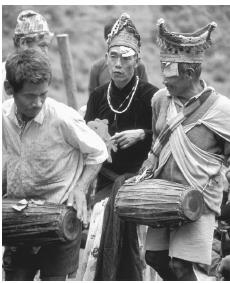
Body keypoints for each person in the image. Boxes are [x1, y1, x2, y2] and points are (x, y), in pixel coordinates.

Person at [2, 48, 108, 281]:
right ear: (9, 89)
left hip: (60, 217)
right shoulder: (3, 118)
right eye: (30, 96)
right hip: (19, 216)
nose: (38, 102)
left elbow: (98, 151)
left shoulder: (63, 118)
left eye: (44, 94)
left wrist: (80, 188)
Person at [137, 18, 230, 281]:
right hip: (163, 198)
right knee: (153, 257)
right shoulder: (160, 100)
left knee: (180, 266)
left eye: (169, 75)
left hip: (197, 200)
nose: (163, 80)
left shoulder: (222, 110)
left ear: (189, 73)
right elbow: (158, 143)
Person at [84, 13, 158, 280]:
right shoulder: (97, 95)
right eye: (113, 57)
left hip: (141, 182)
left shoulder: (152, 95)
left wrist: (142, 134)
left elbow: (164, 137)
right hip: (106, 181)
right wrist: (100, 138)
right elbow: (87, 140)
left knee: (141, 247)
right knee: (96, 235)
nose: (118, 64)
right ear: (106, 58)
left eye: (126, 58)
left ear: (136, 61)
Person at [88, 16, 148, 95]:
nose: (118, 64)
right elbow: (93, 98)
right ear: (107, 40)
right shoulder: (97, 68)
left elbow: (145, 94)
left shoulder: (139, 66)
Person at [2, 9, 54, 102]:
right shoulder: (9, 77)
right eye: (42, 45)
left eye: (47, 46)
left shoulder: (36, 75)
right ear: (23, 43)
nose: (46, 52)